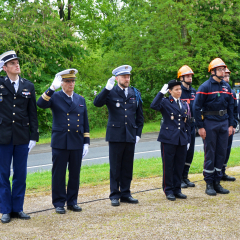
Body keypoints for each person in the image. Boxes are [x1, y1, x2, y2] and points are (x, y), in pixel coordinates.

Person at [37, 69, 90, 214]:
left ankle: (72, 201)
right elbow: (40, 104)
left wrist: (86, 142)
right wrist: (51, 88)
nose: (71, 84)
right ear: (62, 83)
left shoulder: (80, 99)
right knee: (59, 174)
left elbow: (85, 122)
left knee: (75, 173)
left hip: (76, 141)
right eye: (67, 81)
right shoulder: (55, 97)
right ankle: (59, 202)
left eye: (72, 81)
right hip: (60, 141)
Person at [93, 65, 144, 207]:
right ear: (117, 78)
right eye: (124, 76)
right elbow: (97, 103)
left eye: (128, 76)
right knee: (115, 167)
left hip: (130, 134)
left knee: (128, 166)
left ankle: (126, 193)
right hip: (116, 135)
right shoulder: (111, 91)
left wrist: (138, 133)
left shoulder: (135, 92)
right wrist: (106, 88)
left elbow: (139, 116)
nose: (127, 79)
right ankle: (114, 194)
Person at [0, 50, 39, 223]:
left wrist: (34, 136)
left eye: (17, 62)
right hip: (3, 137)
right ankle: (5, 210)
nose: (17, 65)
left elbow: (33, 113)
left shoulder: (28, 86)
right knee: (2, 174)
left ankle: (18, 208)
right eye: (13, 63)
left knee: (20, 174)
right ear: (5, 67)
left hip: (22, 136)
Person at [193, 58, 234, 196]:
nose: (223, 71)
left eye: (224, 69)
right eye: (220, 69)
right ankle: (209, 183)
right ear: (213, 71)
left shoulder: (226, 87)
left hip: (224, 122)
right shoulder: (205, 87)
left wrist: (231, 124)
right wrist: (200, 127)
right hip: (209, 123)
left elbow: (231, 107)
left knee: (221, 152)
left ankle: (217, 182)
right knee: (210, 153)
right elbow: (196, 107)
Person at [150, 80, 191, 201]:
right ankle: (168, 190)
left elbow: (187, 123)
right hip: (168, 138)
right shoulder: (165, 102)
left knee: (179, 165)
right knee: (168, 165)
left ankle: (177, 189)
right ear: (170, 91)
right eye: (176, 89)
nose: (179, 91)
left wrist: (187, 139)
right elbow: (153, 105)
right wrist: (161, 93)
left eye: (180, 89)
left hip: (181, 139)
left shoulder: (184, 104)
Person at [178, 65, 196, 188]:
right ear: (181, 77)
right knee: (181, 152)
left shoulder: (194, 91)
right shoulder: (178, 91)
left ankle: (185, 176)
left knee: (190, 153)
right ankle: (178, 178)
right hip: (182, 126)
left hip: (192, 125)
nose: (190, 78)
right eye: (187, 76)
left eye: (190, 76)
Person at [221, 68, 237, 181]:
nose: (226, 78)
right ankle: (214, 173)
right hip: (219, 123)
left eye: (228, 76)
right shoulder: (218, 89)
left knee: (227, 148)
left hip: (229, 124)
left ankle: (223, 171)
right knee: (218, 149)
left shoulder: (231, 91)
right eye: (225, 76)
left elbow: (235, 110)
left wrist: (234, 125)